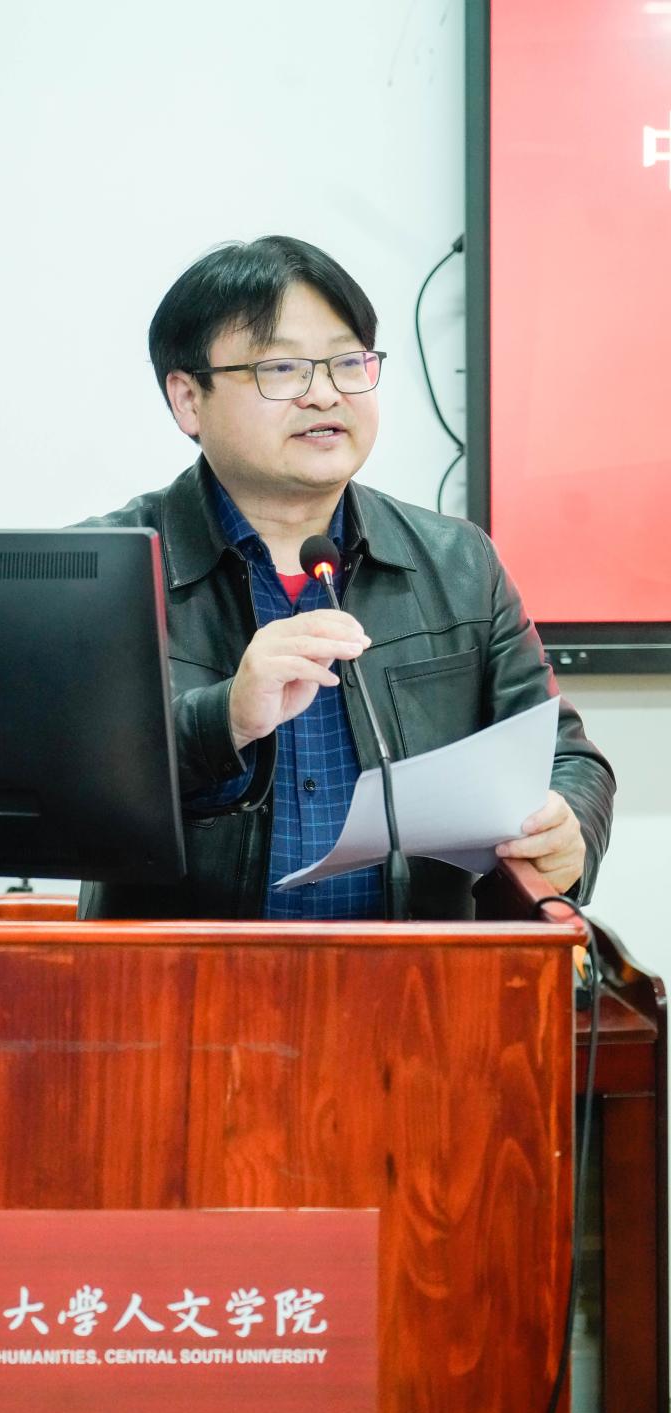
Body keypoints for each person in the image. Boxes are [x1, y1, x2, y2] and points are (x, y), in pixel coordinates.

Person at [78, 235, 614, 920]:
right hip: (178, 980)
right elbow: (72, 790)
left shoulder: (458, 563)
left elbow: (564, 756)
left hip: (417, 979)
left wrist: (570, 826)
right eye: (282, 368)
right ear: (188, 399)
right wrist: (226, 718)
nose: (325, 394)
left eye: (347, 362)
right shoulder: (105, 571)